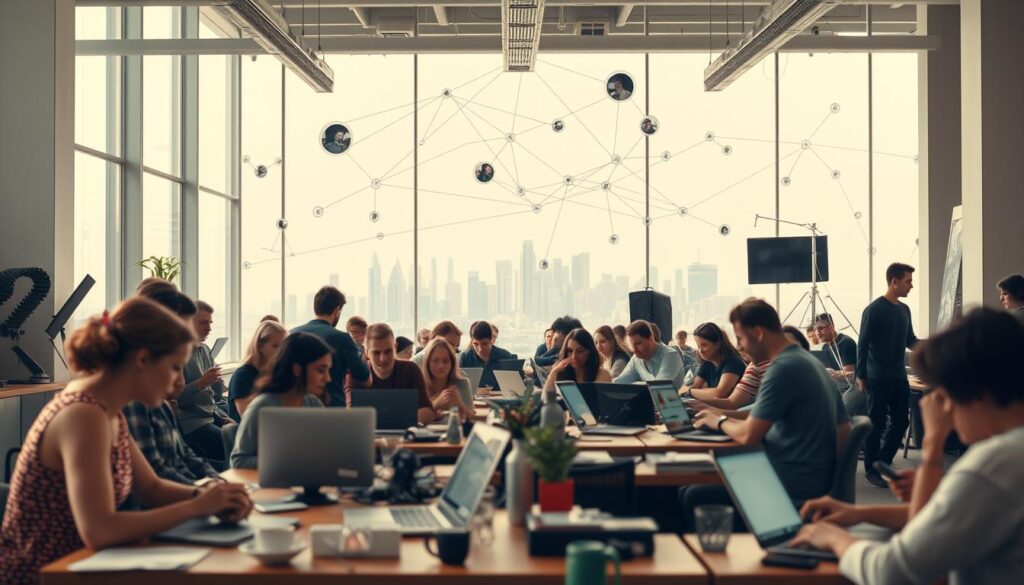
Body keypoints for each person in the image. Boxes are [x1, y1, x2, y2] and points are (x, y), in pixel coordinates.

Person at [0, 299, 252, 584]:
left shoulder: (108, 409)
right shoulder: (84, 415)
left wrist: (210, 496)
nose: (177, 382)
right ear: (142, 360)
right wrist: (198, 506)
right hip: (48, 574)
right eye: (173, 368)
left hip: (85, 566)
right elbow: (100, 530)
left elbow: (151, 488)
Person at [792, 307, 1024, 585]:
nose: (938, 404)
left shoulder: (993, 464)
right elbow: (942, 525)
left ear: (977, 392)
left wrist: (833, 538)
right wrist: (858, 513)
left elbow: (892, 572)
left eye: (944, 391)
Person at [683, 299, 849, 531]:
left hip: (791, 486)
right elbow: (845, 430)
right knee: (698, 483)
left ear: (758, 333)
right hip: (811, 481)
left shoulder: (782, 368)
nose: (740, 346)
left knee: (692, 493)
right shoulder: (810, 362)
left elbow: (749, 435)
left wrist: (717, 420)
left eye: (741, 338)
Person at [125, 280, 219, 484]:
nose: (180, 383)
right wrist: (205, 492)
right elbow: (153, 484)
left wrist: (217, 483)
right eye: (175, 368)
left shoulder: (159, 403)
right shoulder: (127, 405)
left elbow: (183, 457)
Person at [858, 263, 919, 487]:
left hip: (897, 376)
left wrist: (933, 346)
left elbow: (910, 340)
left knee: (902, 420)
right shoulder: (873, 310)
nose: (911, 286)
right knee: (876, 422)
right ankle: (872, 469)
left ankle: (883, 462)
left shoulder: (904, 310)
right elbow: (862, 344)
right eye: (908, 281)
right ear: (894, 282)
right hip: (876, 376)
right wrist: (861, 374)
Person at [230, 333, 329, 468]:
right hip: (271, 485)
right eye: (321, 370)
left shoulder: (312, 403)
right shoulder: (262, 406)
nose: (327, 378)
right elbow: (238, 460)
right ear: (297, 370)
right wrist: (287, 462)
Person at [290, 285, 370, 407]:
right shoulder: (341, 338)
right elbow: (366, 380)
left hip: (297, 411)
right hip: (332, 412)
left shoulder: (291, 334)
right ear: (337, 310)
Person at [349, 323, 435, 425]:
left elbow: (428, 412)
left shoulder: (410, 370)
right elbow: (351, 414)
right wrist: (403, 417)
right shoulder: (358, 375)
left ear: (395, 347)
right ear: (367, 352)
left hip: (405, 438)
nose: (383, 359)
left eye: (388, 351)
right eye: (376, 353)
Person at [179, 300, 232, 461]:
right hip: (192, 423)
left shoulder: (204, 349)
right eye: (203, 323)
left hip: (209, 415)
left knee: (240, 435)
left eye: (210, 323)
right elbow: (177, 398)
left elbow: (211, 396)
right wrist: (203, 382)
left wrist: (220, 417)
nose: (208, 328)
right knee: (233, 446)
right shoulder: (177, 354)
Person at [227, 318, 287, 420]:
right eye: (275, 346)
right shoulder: (242, 376)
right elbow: (248, 417)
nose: (281, 350)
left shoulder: (279, 372)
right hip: (253, 432)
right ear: (260, 346)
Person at [679, 322, 746, 401]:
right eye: (698, 346)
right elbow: (695, 387)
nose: (700, 351)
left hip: (732, 410)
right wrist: (690, 391)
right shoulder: (707, 364)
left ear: (718, 343)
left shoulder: (733, 363)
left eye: (704, 345)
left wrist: (688, 391)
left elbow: (719, 393)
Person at [613, 320, 686, 387]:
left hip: (670, 400)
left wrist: (635, 384)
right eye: (631, 346)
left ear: (651, 338)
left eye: (638, 344)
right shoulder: (636, 359)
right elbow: (620, 382)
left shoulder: (671, 355)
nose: (634, 350)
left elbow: (659, 387)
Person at [815, 312, 861, 415]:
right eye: (816, 329)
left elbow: (850, 373)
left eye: (820, 328)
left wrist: (831, 373)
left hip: (852, 385)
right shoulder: (825, 347)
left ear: (831, 327)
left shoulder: (845, 343)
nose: (817, 333)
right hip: (836, 386)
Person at [420, 338, 473, 422]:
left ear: (452, 363)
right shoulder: (419, 385)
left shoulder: (462, 384)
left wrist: (460, 405)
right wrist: (436, 404)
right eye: (435, 360)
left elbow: (471, 419)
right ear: (427, 362)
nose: (441, 365)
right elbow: (412, 419)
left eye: (445, 361)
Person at [543, 328, 612, 393]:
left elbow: (598, 403)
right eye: (570, 351)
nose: (574, 356)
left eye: (580, 351)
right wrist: (554, 371)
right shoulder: (562, 373)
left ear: (590, 352)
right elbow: (546, 398)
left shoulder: (602, 374)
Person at [459, 321, 517, 390]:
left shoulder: (506, 357)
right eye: (476, 344)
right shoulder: (465, 358)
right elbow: (461, 388)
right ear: (472, 342)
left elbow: (515, 390)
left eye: (484, 344)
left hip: (501, 400)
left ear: (491, 340)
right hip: (474, 400)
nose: (480, 349)